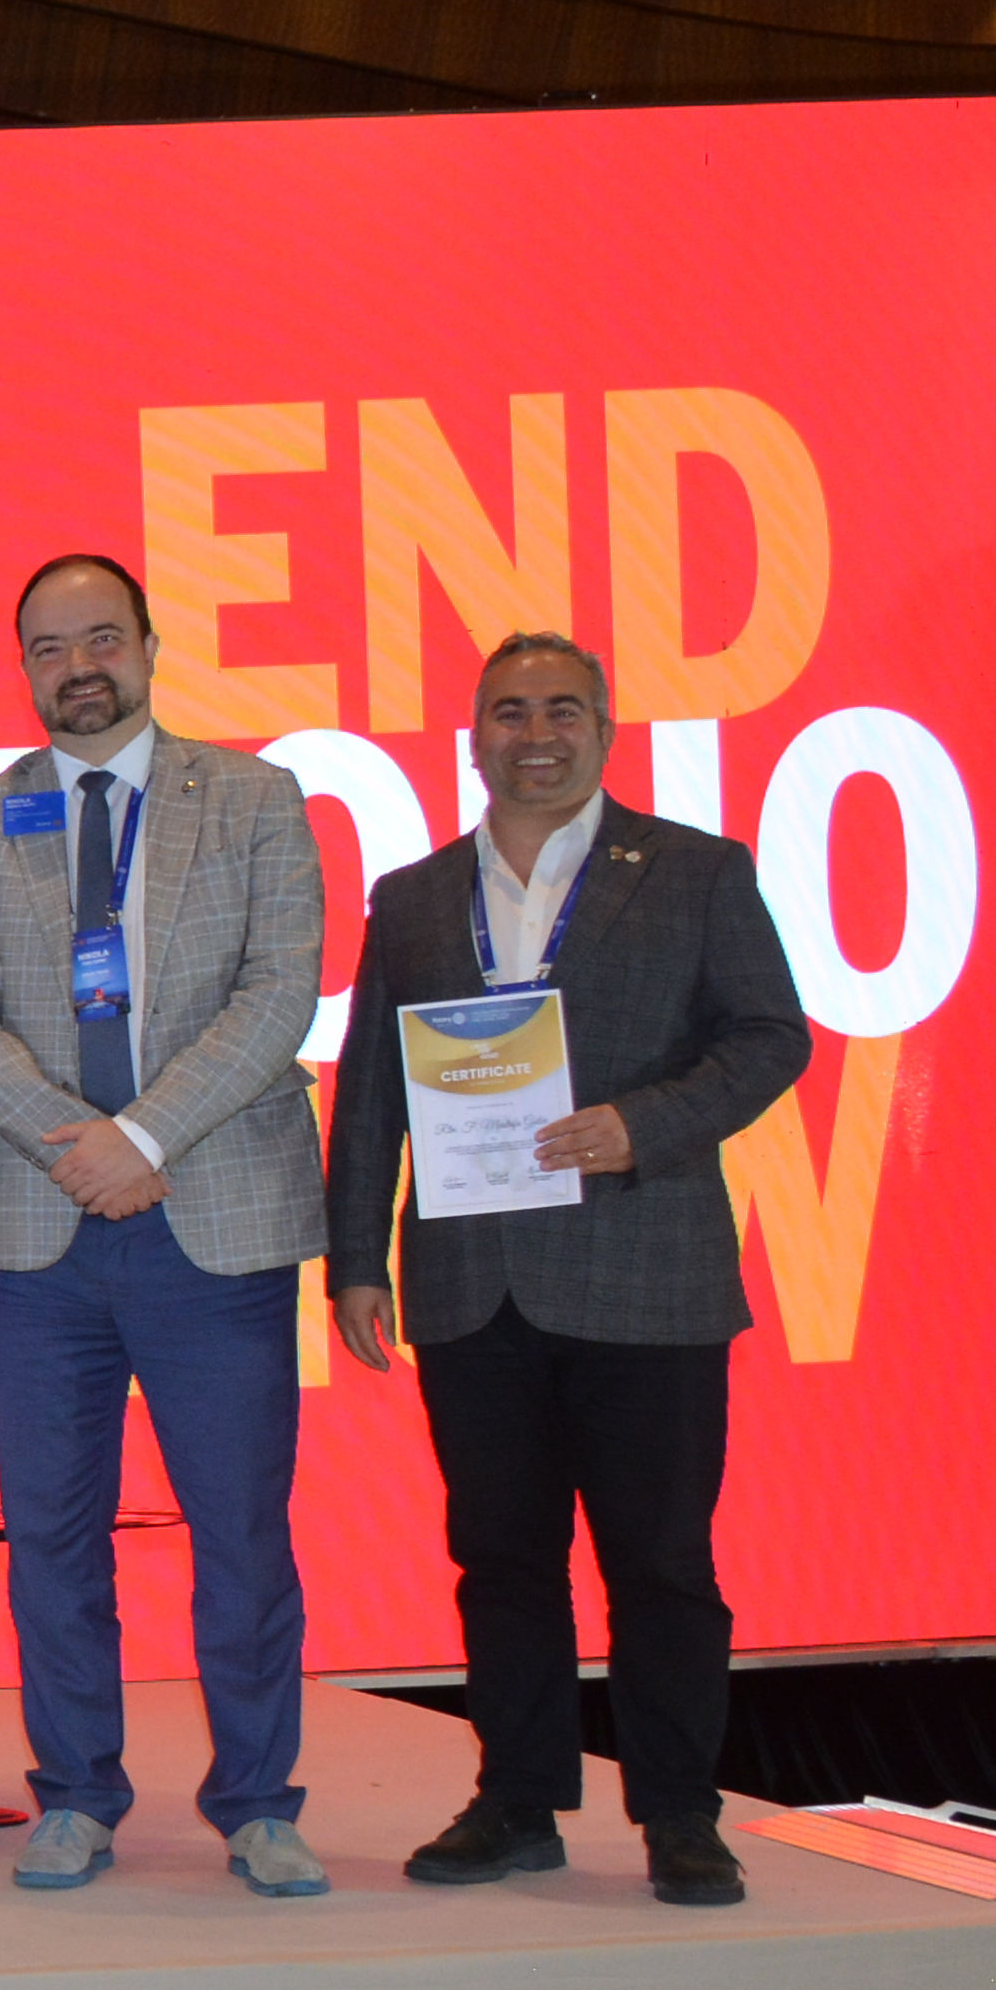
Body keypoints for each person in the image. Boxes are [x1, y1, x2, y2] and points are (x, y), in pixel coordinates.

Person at [328, 632, 811, 1910]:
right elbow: (370, 1086)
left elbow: (772, 1035)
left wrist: (642, 1124)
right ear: (472, 735)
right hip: (471, 1283)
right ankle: (518, 1799)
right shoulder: (414, 895)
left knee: (662, 1564)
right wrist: (356, 1258)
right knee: (500, 1561)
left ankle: (682, 1815)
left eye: (560, 710)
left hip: (647, 1275)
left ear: (604, 728)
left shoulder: (696, 870)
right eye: (508, 712)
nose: (533, 734)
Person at [0, 554, 331, 1897]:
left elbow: (279, 994)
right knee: (51, 1533)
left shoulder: (256, 799)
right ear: (23, 670)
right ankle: (77, 1795)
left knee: (242, 1531)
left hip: (212, 1216)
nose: (77, 668)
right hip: (44, 1230)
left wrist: (145, 1138)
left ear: (151, 648)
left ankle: (259, 1801)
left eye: (102, 639)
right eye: (49, 648)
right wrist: (81, 1146)